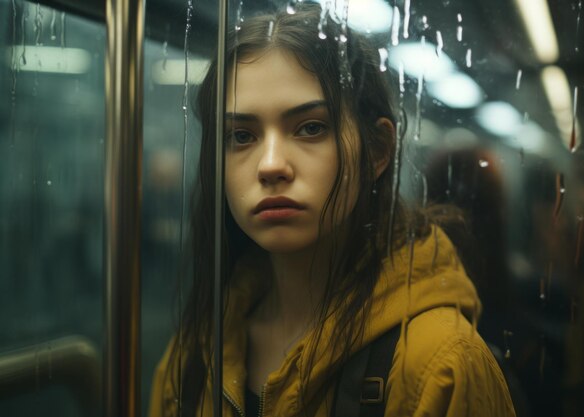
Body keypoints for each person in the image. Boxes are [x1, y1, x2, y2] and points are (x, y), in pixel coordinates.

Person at [149, 4, 516, 417]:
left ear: (376, 150)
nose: (270, 165)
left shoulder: (441, 364)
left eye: (310, 128)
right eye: (241, 135)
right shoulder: (199, 351)